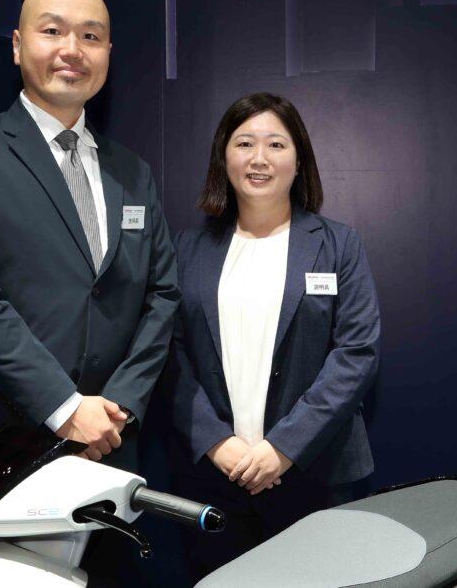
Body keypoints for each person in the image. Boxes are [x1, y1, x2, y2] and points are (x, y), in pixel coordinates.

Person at [0, 0, 179, 475]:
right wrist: (64, 406)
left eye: (90, 36)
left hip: (109, 445)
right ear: (18, 46)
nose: (72, 50)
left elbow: (162, 294)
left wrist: (119, 406)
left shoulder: (133, 172)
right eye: (53, 31)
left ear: (107, 53)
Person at [166, 92, 381, 582]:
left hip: (317, 476)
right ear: (224, 156)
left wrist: (284, 448)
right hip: (215, 479)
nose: (259, 158)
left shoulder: (339, 245)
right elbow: (170, 354)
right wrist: (216, 442)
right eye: (244, 143)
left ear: (298, 159)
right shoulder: (188, 248)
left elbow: (356, 354)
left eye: (276, 144)